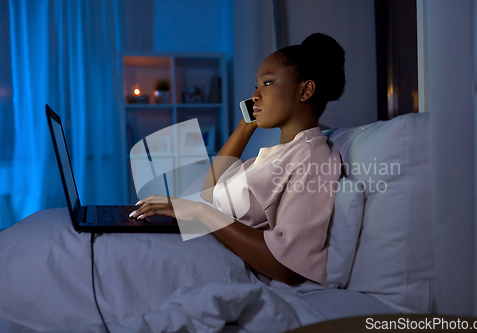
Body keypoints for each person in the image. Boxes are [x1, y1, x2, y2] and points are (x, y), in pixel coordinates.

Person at [130, 33, 346, 287]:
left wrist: (200, 212)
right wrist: (246, 126)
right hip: (199, 243)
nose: (255, 95)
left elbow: (289, 267)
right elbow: (208, 192)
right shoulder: (276, 154)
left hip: (216, 262)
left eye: (267, 83)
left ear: (306, 90)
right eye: (256, 86)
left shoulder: (312, 156)